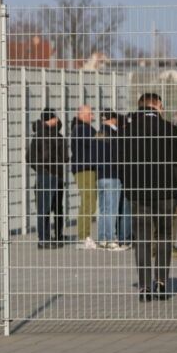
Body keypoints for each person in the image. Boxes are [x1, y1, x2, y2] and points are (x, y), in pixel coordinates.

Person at [120, 93, 177, 301]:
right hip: (165, 193)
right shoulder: (171, 130)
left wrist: (128, 187)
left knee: (142, 239)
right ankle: (161, 281)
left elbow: (120, 163)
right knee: (164, 237)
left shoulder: (127, 131)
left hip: (137, 193)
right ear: (159, 106)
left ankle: (145, 286)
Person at [28, 109, 69, 249]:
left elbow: (64, 157)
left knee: (55, 207)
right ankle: (44, 238)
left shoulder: (55, 136)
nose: (57, 119)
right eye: (55, 117)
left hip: (54, 176)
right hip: (48, 175)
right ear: (50, 120)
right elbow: (31, 158)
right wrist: (44, 168)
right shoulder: (43, 137)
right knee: (45, 208)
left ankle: (55, 236)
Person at [95, 109, 129, 251]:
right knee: (112, 209)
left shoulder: (98, 133)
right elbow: (119, 155)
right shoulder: (115, 134)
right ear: (114, 119)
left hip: (101, 175)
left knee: (103, 209)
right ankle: (111, 239)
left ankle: (102, 238)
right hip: (113, 175)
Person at [70, 105, 99, 249]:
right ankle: (83, 237)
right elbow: (95, 141)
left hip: (87, 168)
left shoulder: (81, 128)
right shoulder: (81, 129)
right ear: (82, 115)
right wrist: (104, 135)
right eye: (90, 114)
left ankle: (84, 236)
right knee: (88, 202)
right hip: (85, 170)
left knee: (89, 202)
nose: (92, 117)